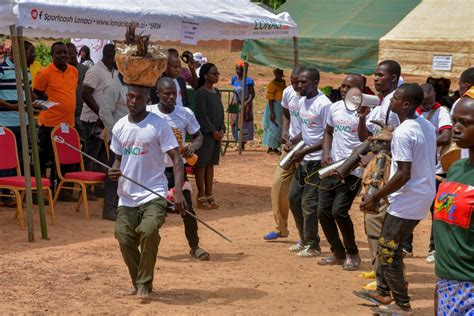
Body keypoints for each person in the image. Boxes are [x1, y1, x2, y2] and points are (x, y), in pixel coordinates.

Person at [355, 83, 437, 315]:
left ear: (407, 104)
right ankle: (383, 291)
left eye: (395, 100)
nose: (391, 102)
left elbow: (403, 173)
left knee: (388, 249)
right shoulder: (425, 125)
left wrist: (375, 196)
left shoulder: (403, 132)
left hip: (409, 198)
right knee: (389, 244)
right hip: (421, 193)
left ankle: (402, 304)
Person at [108, 84, 186, 299]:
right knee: (123, 238)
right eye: (130, 97)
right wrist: (114, 171)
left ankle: (143, 282)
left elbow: (177, 159)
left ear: (147, 98)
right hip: (126, 195)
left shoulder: (158, 125)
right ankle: (139, 281)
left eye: (138, 98)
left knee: (149, 231)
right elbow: (117, 159)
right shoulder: (119, 126)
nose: (133, 102)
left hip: (154, 192)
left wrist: (177, 191)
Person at [148, 77, 209, 261]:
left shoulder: (185, 113)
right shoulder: (149, 113)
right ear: (158, 94)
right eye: (167, 93)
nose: (171, 97)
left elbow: (198, 136)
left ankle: (194, 246)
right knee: (150, 211)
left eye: (174, 93)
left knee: (187, 208)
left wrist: (194, 146)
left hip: (177, 169)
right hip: (154, 171)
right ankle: (146, 246)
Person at [357, 60, 402, 287]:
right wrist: (363, 117)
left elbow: (395, 139)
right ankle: (377, 270)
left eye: (380, 75)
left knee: (377, 219)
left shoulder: (396, 103)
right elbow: (368, 137)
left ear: (393, 78)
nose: (375, 78)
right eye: (375, 74)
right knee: (373, 219)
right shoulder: (382, 103)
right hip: (379, 166)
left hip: (388, 170)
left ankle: (382, 278)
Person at [317, 75, 365, 270]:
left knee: (339, 211)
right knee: (323, 211)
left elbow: (367, 139)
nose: (344, 89)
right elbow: (328, 131)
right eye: (343, 86)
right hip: (332, 167)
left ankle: (353, 253)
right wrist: (326, 153)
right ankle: (338, 252)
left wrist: (362, 118)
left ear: (361, 89)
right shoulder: (335, 107)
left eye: (349, 86)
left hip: (353, 170)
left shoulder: (367, 111)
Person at [401, 83, 452, 263]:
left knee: (437, 211)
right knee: (409, 207)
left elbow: (446, 136)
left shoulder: (442, 112)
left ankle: (434, 248)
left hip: (437, 171)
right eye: (425, 103)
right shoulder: (412, 114)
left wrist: (423, 145)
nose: (429, 106)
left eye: (431, 102)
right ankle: (406, 246)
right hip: (414, 169)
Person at [433, 94, 474, 316]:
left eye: (465, 122)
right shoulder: (456, 168)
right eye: (454, 120)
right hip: (448, 282)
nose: (456, 128)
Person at [287, 68, 332, 257]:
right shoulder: (302, 101)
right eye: (298, 82)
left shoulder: (324, 104)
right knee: (293, 199)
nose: (299, 85)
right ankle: (304, 239)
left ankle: (313, 244)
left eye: (304, 82)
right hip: (303, 158)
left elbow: (327, 137)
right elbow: (307, 132)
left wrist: (305, 151)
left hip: (316, 161)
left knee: (309, 203)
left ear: (315, 83)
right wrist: (294, 141)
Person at [263, 66, 304, 241]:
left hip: (309, 152)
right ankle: (280, 228)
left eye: (299, 82)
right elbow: (286, 114)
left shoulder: (319, 101)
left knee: (301, 196)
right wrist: (284, 133)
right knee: (278, 185)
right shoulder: (288, 92)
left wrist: (295, 140)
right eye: (293, 81)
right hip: (289, 149)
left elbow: (316, 130)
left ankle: (306, 235)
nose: (295, 86)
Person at [33, 42, 78, 177]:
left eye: (65, 52)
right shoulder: (45, 72)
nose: (63, 55)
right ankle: (39, 190)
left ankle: (60, 191)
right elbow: (36, 92)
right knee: (44, 158)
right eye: (59, 53)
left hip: (68, 124)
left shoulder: (73, 71)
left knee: (64, 160)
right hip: (49, 125)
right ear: (52, 55)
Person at [0, 40, 35, 177]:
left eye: (27, 55)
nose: (26, 58)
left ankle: (14, 191)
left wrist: (37, 104)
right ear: (13, 52)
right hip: (5, 123)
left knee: (19, 158)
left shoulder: (26, 71)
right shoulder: (2, 69)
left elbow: (29, 94)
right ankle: (4, 192)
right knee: (5, 159)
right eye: (23, 54)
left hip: (23, 122)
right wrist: (12, 106)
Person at [81, 44, 116, 177]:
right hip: (93, 120)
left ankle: (98, 187)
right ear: (111, 57)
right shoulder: (95, 70)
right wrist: (101, 113)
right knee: (91, 155)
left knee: (103, 156)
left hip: (108, 121)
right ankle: (86, 189)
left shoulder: (115, 72)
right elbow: (85, 94)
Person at [194, 63, 225, 210]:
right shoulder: (201, 93)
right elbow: (202, 115)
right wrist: (212, 131)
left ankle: (209, 194)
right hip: (205, 135)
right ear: (206, 75)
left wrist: (222, 129)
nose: (217, 75)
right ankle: (201, 196)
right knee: (201, 165)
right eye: (214, 73)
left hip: (216, 135)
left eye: (217, 73)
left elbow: (221, 112)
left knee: (210, 164)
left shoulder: (216, 92)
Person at [99, 72, 128, 220]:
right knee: (114, 172)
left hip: (133, 138)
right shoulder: (113, 86)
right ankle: (109, 208)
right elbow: (104, 112)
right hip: (118, 138)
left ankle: (122, 206)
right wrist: (117, 133)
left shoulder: (135, 84)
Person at [66, 43, 88, 142]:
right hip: (65, 113)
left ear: (76, 53)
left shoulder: (84, 70)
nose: (69, 56)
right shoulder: (61, 71)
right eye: (67, 54)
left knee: (81, 140)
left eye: (71, 54)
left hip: (81, 112)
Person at [231, 60, 255, 148]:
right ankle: (237, 139)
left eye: (240, 69)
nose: (238, 71)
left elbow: (252, 94)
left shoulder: (248, 81)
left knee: (243, 123)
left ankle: (241, 143)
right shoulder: (234, 79)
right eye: (236, 69)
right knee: (234, 122)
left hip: (245, 105)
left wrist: (245, 103)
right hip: (235, 103)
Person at [262, 68, 286, 154]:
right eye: (278, 72)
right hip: (274, 106)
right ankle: (270, 147)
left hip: (281, 106)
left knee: (280, 126)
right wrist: (272, 113)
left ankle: (276, 146)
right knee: (273, 125)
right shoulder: (271, 84)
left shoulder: (283, 82)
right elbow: (270, 100)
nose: (279, 74)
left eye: (281, 72)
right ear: (275, 73)